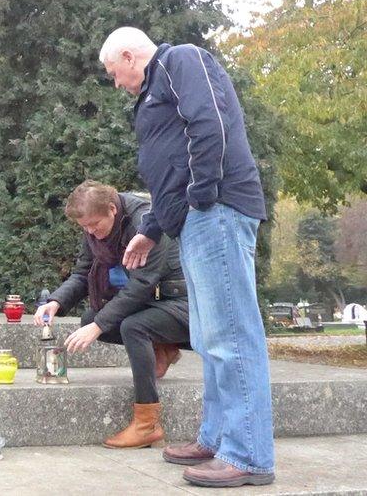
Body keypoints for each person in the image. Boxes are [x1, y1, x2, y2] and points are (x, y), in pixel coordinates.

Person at [98, 26, 274, 487]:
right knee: (210, 335)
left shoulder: (182, 61)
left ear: (130, 55)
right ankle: (216, 438)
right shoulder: (157, 87)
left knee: (231, 335)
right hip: (193, 220)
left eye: (114, 72)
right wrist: (151, 230)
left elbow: (209, 125)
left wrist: (202, 195)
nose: (115, 83)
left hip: (216, 212)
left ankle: (248, 454)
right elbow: (168, 172)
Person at [34, 180, 189, 449]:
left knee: (131, 327)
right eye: (85, 228)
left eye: (95, 225)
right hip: (151, 303)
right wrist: (55, 301)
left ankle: (147, 423)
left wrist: (99, 324)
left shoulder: (146, 222)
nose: (92, 232)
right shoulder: (95, 227)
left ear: (112, 210)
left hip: (183, 303)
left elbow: (142, 283)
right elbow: (83, 272)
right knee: (89, 319)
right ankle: (162, 347)